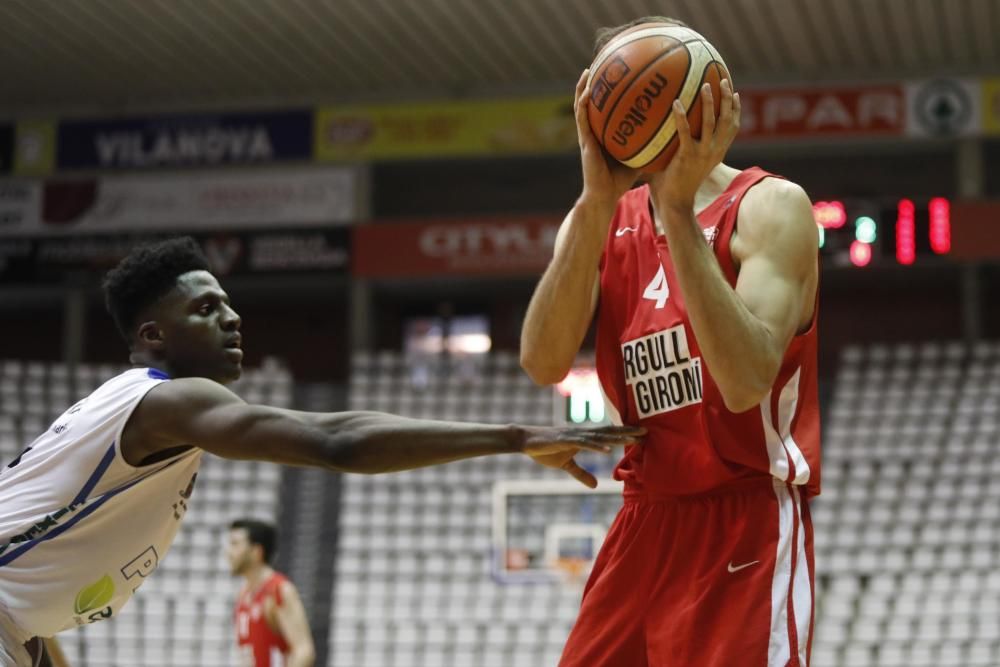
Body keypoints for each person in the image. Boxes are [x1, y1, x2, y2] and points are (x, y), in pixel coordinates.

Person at [0, 237, 643, 667]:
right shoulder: (169, 400)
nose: (233, 318)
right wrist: (514, 437)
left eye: (229, 303)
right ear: (152, 335)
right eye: (206, 308)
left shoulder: (142, 412)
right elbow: (335, 441)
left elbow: (28, 600)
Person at [520, 16, 821, 667]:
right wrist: (596, 199)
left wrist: (678, 214)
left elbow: (745, 383)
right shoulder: (603, 219)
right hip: (643, 519)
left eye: (639, 88)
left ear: (698, 97)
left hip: (742, 522)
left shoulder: (772, 207)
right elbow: (543, 360)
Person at [227, 519, 314, 667]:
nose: (228, 552)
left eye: (235, 544)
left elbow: (304, 651)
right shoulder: (243, 594)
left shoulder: (278, 590)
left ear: (256, 552)